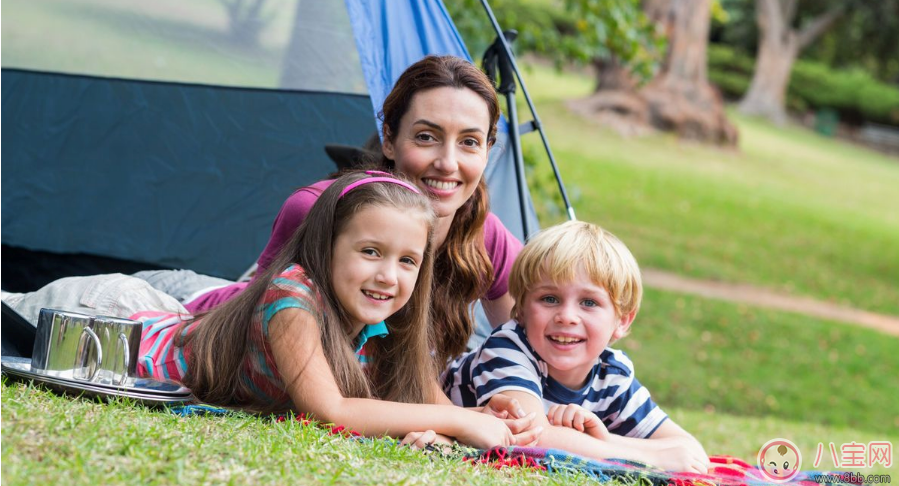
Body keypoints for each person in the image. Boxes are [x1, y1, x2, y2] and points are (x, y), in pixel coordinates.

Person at [5, 172, 540, 448]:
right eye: (370, 252)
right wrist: (454, 419)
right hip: (110, 319)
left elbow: (421, 404)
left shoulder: (388, 322)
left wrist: (470, 422)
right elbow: (329, 412)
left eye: (407, 261)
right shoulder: (293, 296)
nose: (387, 275)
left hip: (130, 330)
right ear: (327, 246)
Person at [145, 55, 522, 366]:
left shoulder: (485, 235)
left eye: (470, 142)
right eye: (426, 137)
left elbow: (526, 349)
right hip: (178, 310)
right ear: (388, 139)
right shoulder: (319, 209)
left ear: (488, 150)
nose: (447, 162)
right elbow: (263, 346)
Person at [442, 221, 710, 472]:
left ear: (622, 320)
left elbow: (689, 449)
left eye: (589, 303)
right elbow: (531, 438)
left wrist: (606, 440)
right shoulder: (507, 348)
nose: (567, 316)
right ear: (520, 309)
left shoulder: (612, 374)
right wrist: (649, 456)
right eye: (549, 299)